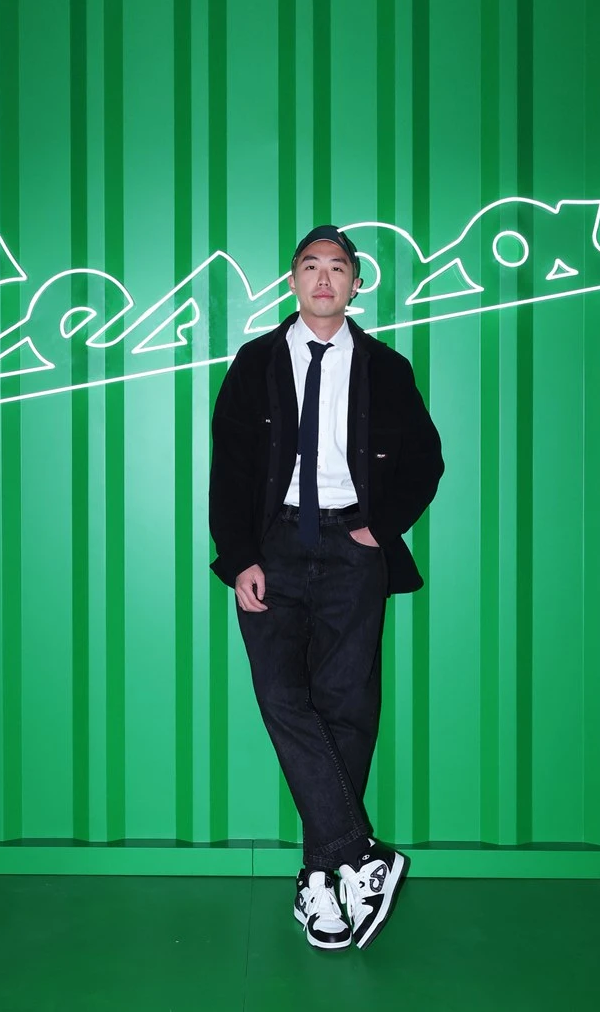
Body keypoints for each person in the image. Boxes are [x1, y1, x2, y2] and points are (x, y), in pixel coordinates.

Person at [209, 225, 444, 951]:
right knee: (283, 696)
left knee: (347, 706)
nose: (323, 279)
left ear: (354, 283)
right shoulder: (255, 363)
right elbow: (229, 468)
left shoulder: (386, 367)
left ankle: (321, 877)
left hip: (351, 548)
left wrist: (381, 526)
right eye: (310, 266)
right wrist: (239, 557)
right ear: (292, 281)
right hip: (273, 547)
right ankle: (360, 855)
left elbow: (427, 460)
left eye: (337, 267)